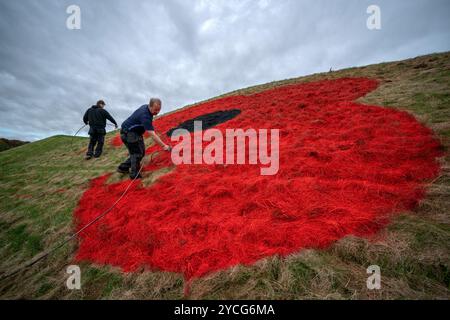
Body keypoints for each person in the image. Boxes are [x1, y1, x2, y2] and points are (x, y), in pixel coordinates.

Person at [117, 98, 171, 179]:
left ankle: (123, 167)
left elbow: (147, 124)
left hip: (134, 132)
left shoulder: (146, 108)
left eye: (159, 110)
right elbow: (152, 135)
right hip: (129, 133)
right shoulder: (145, 115)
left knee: (141, 152)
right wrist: (164, 146)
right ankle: (134, 175)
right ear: (150, 106)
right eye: (155, 110)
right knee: (137, 153)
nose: (157, 112)